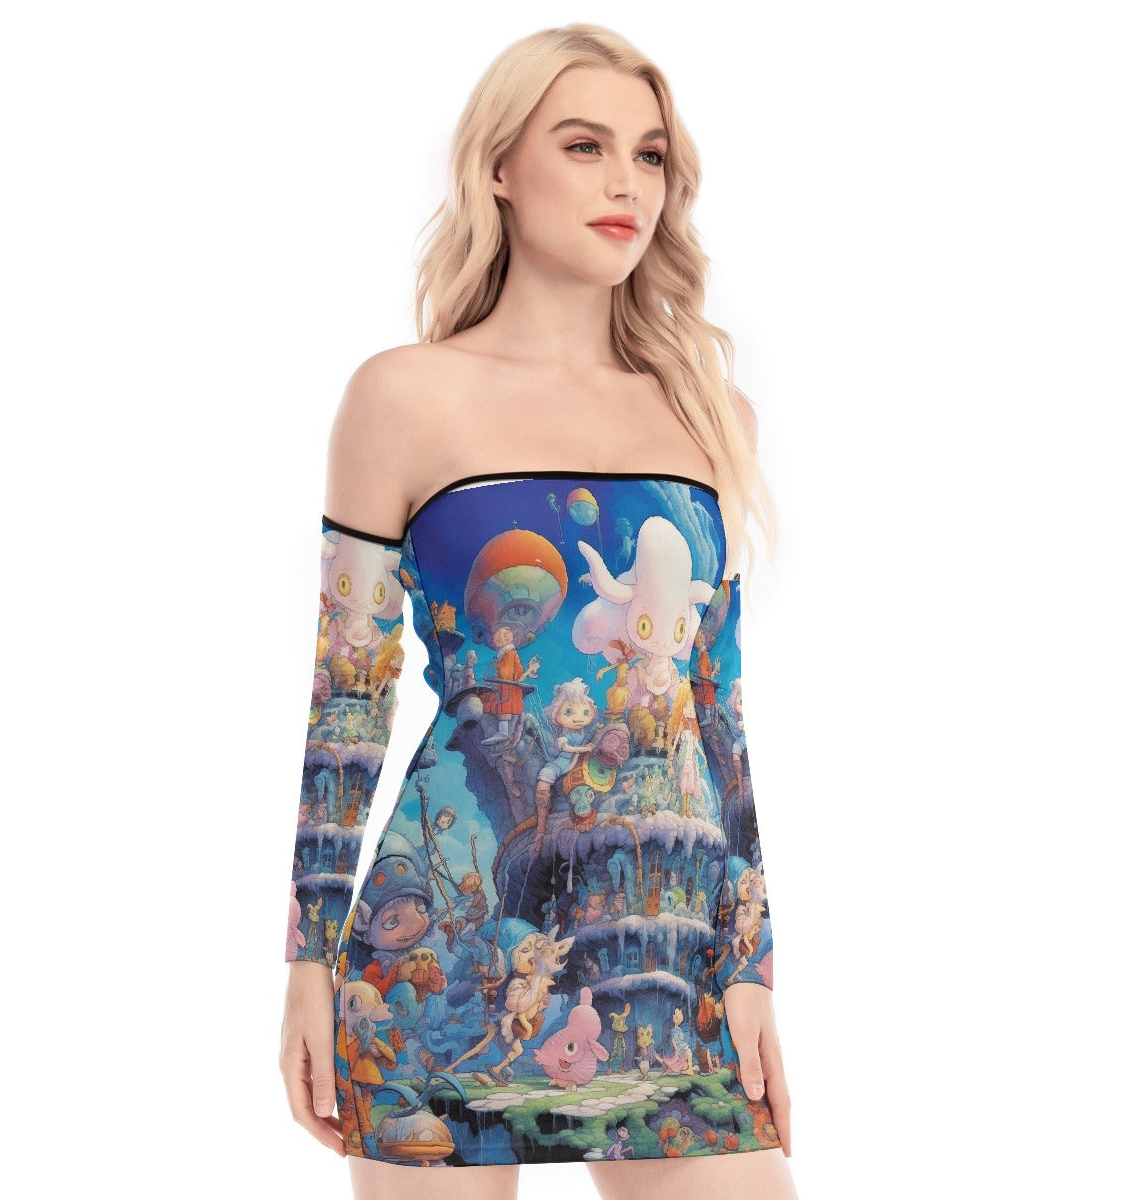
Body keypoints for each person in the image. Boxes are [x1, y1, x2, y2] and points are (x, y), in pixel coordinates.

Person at [278, 23, 799, 1200]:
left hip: (674, 959)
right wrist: (309, 961)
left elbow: (716, 721)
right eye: (584, 145)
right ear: (500, 169)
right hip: (442, 939)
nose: (627, 184)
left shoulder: (708, 415)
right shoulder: (401, 399)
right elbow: (346, 705)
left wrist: (752, 967)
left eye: (650, 155)